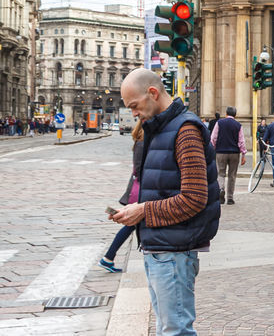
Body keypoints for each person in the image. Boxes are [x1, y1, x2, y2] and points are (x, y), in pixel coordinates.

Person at [110, 68, 220, 336]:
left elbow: (194, 198)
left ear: (153, 92)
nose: (133, 113)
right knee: (167, 329)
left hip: (174, 251)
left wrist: (143, 211)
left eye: (134, 106)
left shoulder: (185, 130)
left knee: (175, 331)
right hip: (161, 247)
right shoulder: (159, 128)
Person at [100, 119, 147, 273]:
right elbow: (139, 170)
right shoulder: (141, 142)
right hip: (140, 189)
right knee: (130, 225)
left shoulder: (140, 141)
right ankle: (108, 257)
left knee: (131, 225)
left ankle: (108, 257)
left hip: (138, 188)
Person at [209, 106, 246, 205]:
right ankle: (230, 198)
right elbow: (241, 141)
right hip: (234, 153)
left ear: (226, 114)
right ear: (235, 115)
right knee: (232, 175)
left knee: (220, 173)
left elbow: (213, 138)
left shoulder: (219, 123)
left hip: (221, 152)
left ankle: (221, 189)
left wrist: (213, 149)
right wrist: (243, 154)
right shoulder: (238, 125)